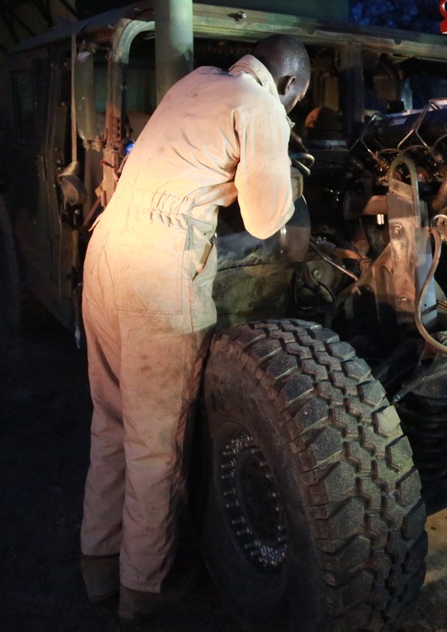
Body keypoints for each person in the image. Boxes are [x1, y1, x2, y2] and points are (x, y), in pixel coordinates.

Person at [78, 34, 311, 621]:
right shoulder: (260, 106)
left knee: (111, 422)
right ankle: (144, 588)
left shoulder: (195, 82)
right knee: (157, 443)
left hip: (107, 249)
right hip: (158, 267)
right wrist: (291, 173)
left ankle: (98, 566)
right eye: (296, 101)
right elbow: (262, 222)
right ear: (287, 86)